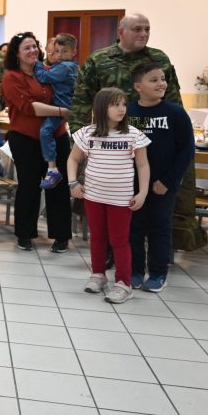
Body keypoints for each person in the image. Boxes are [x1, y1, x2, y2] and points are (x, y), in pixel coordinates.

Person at [70, 13, 206, 252]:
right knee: (113, 205)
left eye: (147, 29)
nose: (144, 34)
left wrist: (177, 141)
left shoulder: (159, 59)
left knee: (156, 206)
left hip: (155, 142)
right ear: (121, 32)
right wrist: (81, 143)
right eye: (137, 29)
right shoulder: (99, 60)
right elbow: (81, 102)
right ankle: (113, 254)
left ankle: (159, 256)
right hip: (114, 147)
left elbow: (173, 102)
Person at [69, 88, 150, 305]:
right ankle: (98, 274)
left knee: (119, 240)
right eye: (115, 104)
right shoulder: (87, 133)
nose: (121, 109)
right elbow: (73, 159)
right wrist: (73, 183)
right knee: (97, 237)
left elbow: (143, 165)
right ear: (101, 107)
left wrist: (143, 192)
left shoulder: (133, 134)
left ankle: (123, 284)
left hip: (121, 199)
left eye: (123, 104)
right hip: (93, 195)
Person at [2, 32, 73, 252]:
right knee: (30, 185)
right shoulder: (12, 78)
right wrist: (62, 111)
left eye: (34, 46)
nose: (33, 50)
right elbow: (29, 108)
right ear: (16, 54)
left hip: (56, 136)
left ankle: (61, 236)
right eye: (27, 48)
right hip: (26, 139)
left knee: (58, 186)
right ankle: (25, 234)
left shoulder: (49, 71)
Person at [128, 63, 194, 292]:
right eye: (154, 80)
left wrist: (168, 181)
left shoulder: (176, 113)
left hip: (163, 184)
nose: (161, 84)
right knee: (133, 227)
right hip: (132, 183)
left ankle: (158, 273)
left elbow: (187, 151)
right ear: (138, 86)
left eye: (163, 79)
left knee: (159, 227)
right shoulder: (128, 111)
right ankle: (135, 271)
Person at [34, 32, 78, 189]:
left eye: (64, 51)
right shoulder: (70, 66)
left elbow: (43, 77)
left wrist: (37, 63)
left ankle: (52, 169)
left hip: (62, 107)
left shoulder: (65, 67)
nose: (59, 55)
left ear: (73, 52)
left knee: (45, 132)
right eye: (57, 51)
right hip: (65, 105)